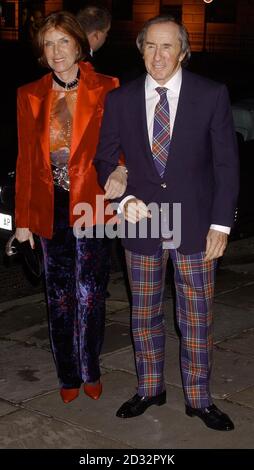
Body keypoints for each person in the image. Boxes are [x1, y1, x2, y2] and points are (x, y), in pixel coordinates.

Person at [94, 15, 239, 430]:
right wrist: (121, 191)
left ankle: (199, 397)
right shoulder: (121, 99)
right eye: (150, 46)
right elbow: (105, 157)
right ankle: (149, 387)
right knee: (144, 313)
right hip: (141, 223)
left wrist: (221, 226)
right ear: (140, 49)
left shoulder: (211, 95)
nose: (158, 56)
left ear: (183, 51)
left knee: (195, 315)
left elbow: (226, 165)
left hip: (194, 224)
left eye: (167, 47)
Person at [14, 11, 126, 405]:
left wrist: (123, 173)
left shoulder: (109, 87)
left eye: (64, 41)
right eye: (49, 43)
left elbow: (122, 146)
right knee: (58, 294)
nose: (57, 51)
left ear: (79, 44)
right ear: (41, 51)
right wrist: (23, 220)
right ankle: (68, 373)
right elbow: (26, 161)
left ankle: (91, 367)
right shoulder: (29, 93)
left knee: (92, 291)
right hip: (51, 205)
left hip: (94, 203)